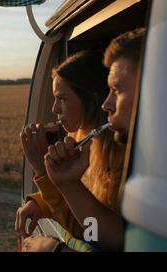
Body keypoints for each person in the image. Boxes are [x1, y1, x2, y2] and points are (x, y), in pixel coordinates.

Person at [41, 28, 146, 251]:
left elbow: (110, 239)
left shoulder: (131, 161)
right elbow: (119, 239)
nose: (106, 105)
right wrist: (61, 186)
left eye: (116, 90)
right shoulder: (82, 147)